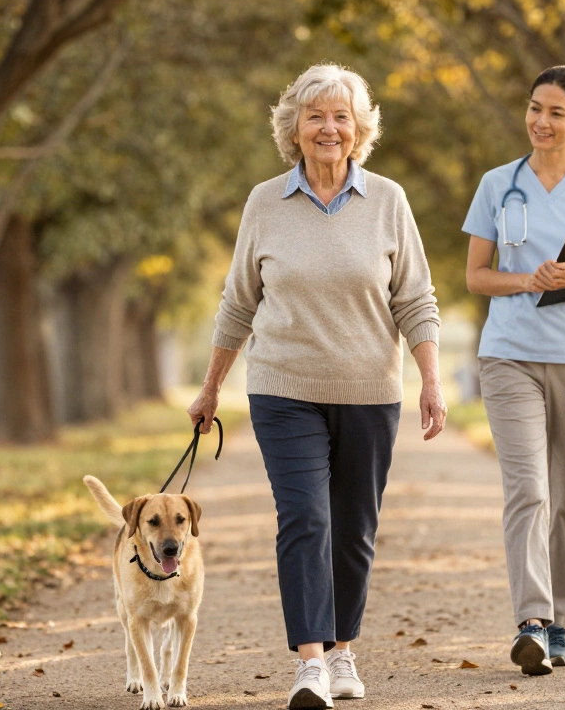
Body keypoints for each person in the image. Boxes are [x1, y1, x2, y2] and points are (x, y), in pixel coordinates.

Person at [188, 63, 445, 709]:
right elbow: (238, 303)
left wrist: (431, 380)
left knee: (354, 527)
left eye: (341, 117)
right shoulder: (264, 203)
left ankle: (342, 650)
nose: (329, 128)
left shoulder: (388, 201)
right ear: (294, 129)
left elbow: (415, 299)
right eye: (315, 116)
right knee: (304, 516)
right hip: (282, 387)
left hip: (368, 389)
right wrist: (211, 387)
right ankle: (309, 663)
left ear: (359, 129)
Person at [461, 65, 565, 677]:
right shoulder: (496, 184)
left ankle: (563, 624)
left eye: (556, 112)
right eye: (535, 108)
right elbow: (476, 275)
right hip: (509, 353)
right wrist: (525, 281)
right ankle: (531, 622)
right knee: (529, 490)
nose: (541, 120)